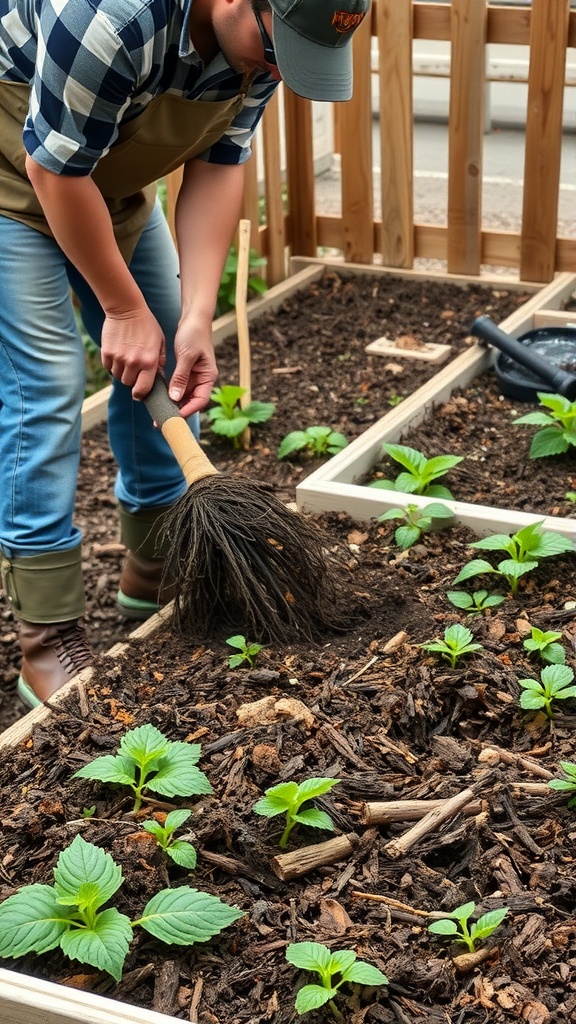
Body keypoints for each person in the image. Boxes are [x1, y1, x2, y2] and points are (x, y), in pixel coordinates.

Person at [0, 0, 370, 708]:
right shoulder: (111, 19)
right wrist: (121, 308)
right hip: (16, 178)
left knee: (170, 346)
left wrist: (195, 316)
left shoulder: (259, 44)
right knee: (43, 386)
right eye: (277, 50)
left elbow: (220, 159)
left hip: (98, 175)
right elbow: (51, 171)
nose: (276, 69)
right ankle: (45, 637)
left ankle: (155, 568)